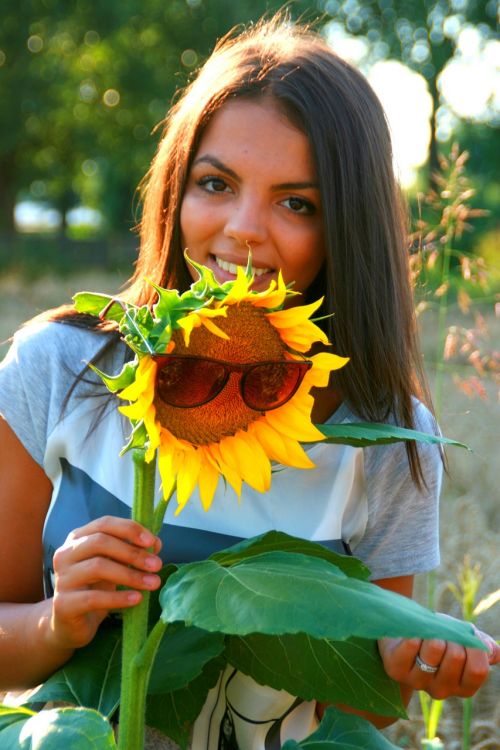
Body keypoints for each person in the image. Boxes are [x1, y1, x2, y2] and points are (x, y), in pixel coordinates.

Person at [0, 14, 498, 750]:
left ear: (345, 231)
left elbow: (372, 703)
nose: (242, 228)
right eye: (216, 183)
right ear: (176, 190)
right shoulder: (62, 368)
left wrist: (412, 658)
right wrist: (55, 621)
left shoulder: (385, 436)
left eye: (297, 203)